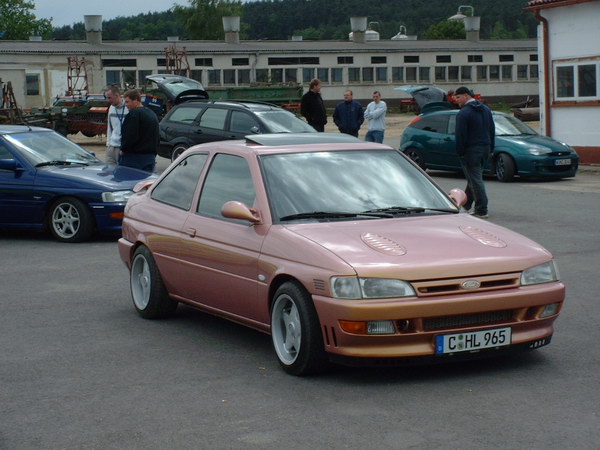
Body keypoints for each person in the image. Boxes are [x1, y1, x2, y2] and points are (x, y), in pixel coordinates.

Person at [454, 86, 495, 219]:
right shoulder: (486, 109)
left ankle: (482, 209)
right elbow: (491, 130)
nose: (457, 100)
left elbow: (460, 135)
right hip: (485, 148)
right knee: (473, 178)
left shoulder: (464, 113)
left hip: (471, 150)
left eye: (458, 97)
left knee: (475, 179)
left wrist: (460, 151)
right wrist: (491, 148)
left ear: (466, 95)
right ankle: (465, 205)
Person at [120, 89, 159, 172]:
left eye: (127, 102)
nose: (126, 105)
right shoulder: (152, 114)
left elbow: (129, 136)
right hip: (150, 158)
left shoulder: (133, 114)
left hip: (134, 159)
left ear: (136, 100)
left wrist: (123, 149)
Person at [104, 85, 128, 165]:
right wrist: (108, 144)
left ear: (117, 95)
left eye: (110, 98)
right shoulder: (111, 108)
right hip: (112, 147)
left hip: (122, 147)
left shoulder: (128, 108)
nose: (108, 100)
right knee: (109, 172)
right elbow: (109, 128)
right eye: (107, 98)